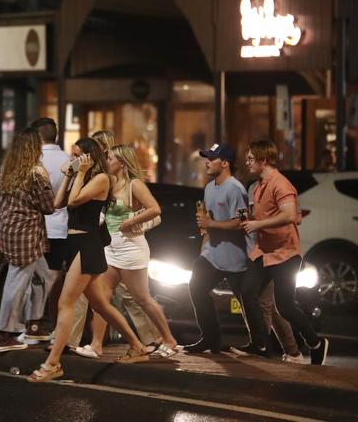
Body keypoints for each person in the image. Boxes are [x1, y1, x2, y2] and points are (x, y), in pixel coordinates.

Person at [27, 137, 148, 383]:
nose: (73, 159)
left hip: (87, 245)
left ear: (89, 157)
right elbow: (59, 203)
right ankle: (137, 345)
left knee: (65, 302)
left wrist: (79, 173)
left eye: (77, 155)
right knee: (101, 304)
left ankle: (53, 363)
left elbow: (74, 201)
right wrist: (70, 175)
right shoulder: (82, 177)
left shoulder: (102, 179)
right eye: (72, 155)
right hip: (74, 244)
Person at [78, 144, 178, 359]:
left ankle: (169, 339)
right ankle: (96, 345)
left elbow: (155, 209)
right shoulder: (107, 183)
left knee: (143, 299)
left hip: (131, 249)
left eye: (111, 158)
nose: (107, 162)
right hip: (111, 249)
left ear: (122, 163)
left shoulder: (134, 185)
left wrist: (132, 220)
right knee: (101, 299)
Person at [238, 140, 328, 365]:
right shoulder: (258, 187)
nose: (247, 163)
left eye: (251, 159)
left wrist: (258, 225)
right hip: (263, 251)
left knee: (285, 306)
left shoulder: (281, 184)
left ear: (263, 160)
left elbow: (289, 215)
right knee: (247, 292)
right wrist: (250, 221)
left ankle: (316, 342)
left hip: (285, 253)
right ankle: (259, 344)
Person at [0, 127, 55, 352]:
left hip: (10, 232)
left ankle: (34, 325)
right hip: (27, 235)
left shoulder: (7, 171)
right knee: (16, 283)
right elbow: (49, 206)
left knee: (44, 278)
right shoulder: (36, 173)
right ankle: (5, 333)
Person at [183, 143, 249, 354]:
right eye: (206, 158)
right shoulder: (209, 188)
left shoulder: (236, 188)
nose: (207, 162)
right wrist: (204, 240)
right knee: (196, 287)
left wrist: (212, 224)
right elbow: (208, 222)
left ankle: (264, 343)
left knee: (248, 302)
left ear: (225, 163)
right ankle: (211, 339)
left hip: (235, 257)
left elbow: (241, 222)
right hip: (212, 255)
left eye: (211, 159)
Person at [30, 117, 71, 332]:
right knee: (55, 276)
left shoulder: (33, 160)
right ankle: (55, 326)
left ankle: (35, 324)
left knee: (35, 277)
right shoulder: (68, 160)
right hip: (61, 227)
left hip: (36, 226)